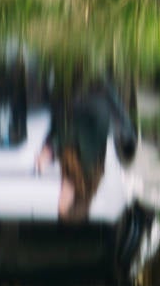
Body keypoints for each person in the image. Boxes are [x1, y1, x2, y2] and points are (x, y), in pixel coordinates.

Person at [36, 80, 139, 220]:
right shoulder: (89, 166)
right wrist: (50, 150)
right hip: (89, 89)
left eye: (60, 199)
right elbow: (77, 126)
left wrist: (49, 150)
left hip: (76, 93)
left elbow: (60, 127)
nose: (60, 194)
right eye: (64, 200)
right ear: (77, 198)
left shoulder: (72, 170)